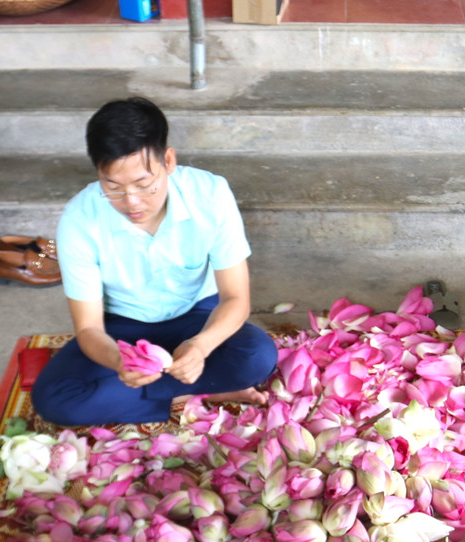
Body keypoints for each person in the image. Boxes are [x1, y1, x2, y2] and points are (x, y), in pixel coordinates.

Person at [30, 97, 279, 427]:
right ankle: (191, 393)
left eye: (144, 184)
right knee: (55, 401)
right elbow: (89, 328)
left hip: (196, 314)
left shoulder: (211, 194)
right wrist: (120, 362)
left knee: (258, 357)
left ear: (169, 160)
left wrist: (200, 346)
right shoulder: (80, 219)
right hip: (122, 327)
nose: (131, 202)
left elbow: (236, 298)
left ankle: (167, 388)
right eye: (113, 187)